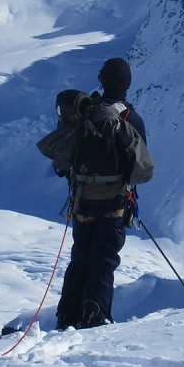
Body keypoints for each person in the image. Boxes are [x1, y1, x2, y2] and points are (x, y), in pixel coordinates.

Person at [54, 57, 150, 329]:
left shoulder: (85, 113)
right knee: (104, 260)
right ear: (127, 84)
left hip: (83, 201)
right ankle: (94, 315)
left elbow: (64, 160)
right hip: (114, 204)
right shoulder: (131, 119)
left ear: (102, 80)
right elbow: (141, 167)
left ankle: (67, 315)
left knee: (81, 255)